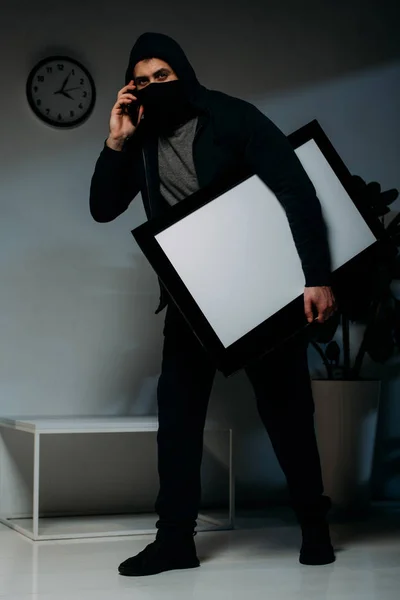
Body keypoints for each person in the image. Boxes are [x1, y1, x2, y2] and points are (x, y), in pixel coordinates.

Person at [90, 32, 337, 577]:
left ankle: (314, 526)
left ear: (182, 72)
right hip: (191, 302)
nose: (154, 86)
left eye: (163, 75)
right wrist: (117, 140)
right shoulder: (142, 136)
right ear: (130, 89)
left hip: (259, 294)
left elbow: (296, 189)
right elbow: (103, 209)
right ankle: (175, 541)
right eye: (142, 79)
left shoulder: (233, 117)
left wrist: (316, 276)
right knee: (177, 420)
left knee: (288, 412)